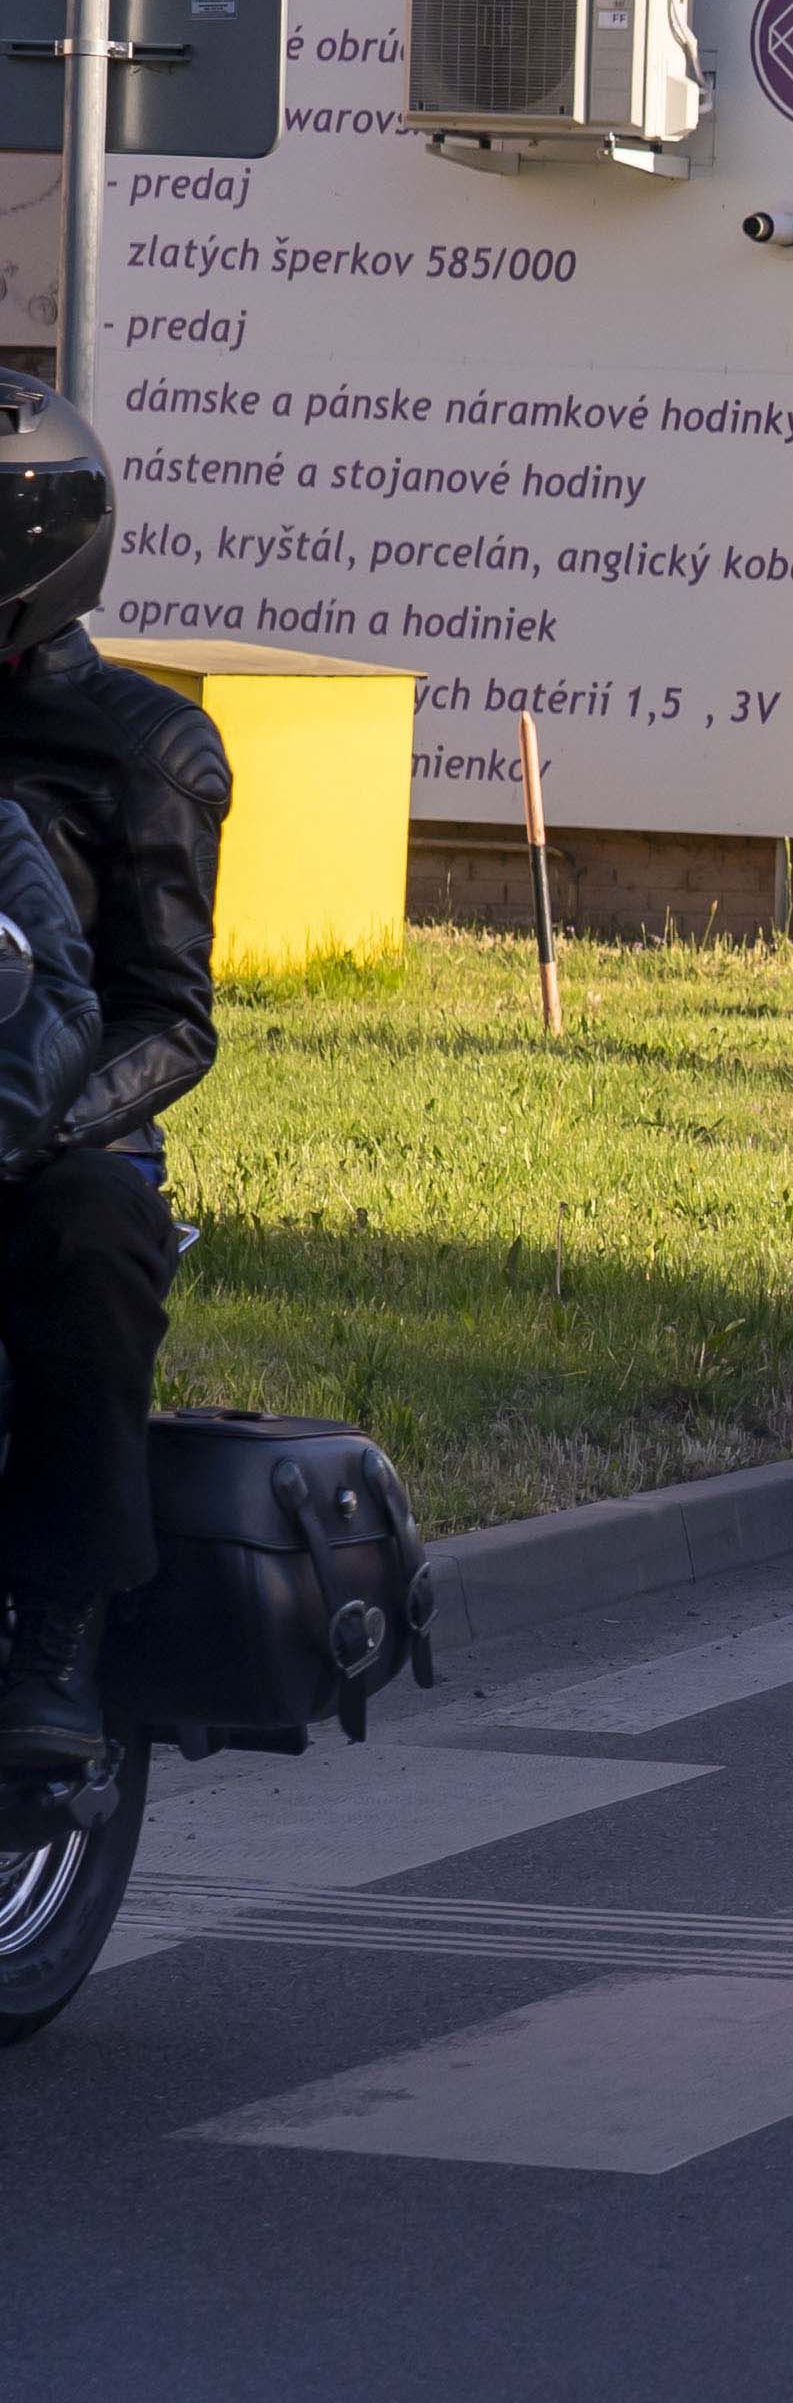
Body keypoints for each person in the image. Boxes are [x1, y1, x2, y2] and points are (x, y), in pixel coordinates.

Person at [0, 370, 228, 1774]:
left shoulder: (144, 746)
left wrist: (34, 1131)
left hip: (59, 1132)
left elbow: (171, 1017)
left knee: (92, 1237)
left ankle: (59, 1628)